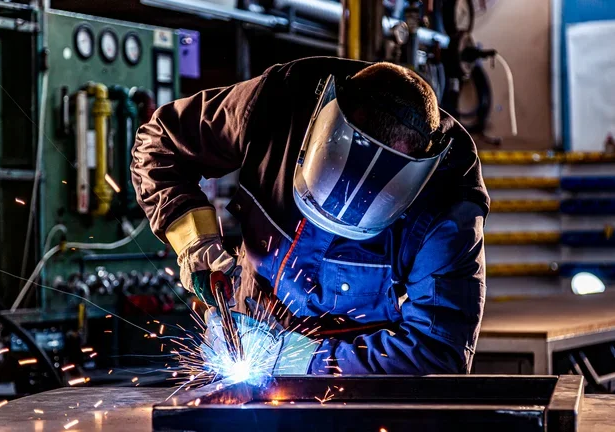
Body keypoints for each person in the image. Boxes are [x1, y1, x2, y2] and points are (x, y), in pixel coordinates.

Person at [131, 56, 489, 376]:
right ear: (320, 125)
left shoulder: (449, 199)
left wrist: (303, 360)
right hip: (246, 338)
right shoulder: (279, 103)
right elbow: (160, 144)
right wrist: (195, 241)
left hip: (356, 393)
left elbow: (438, 352)